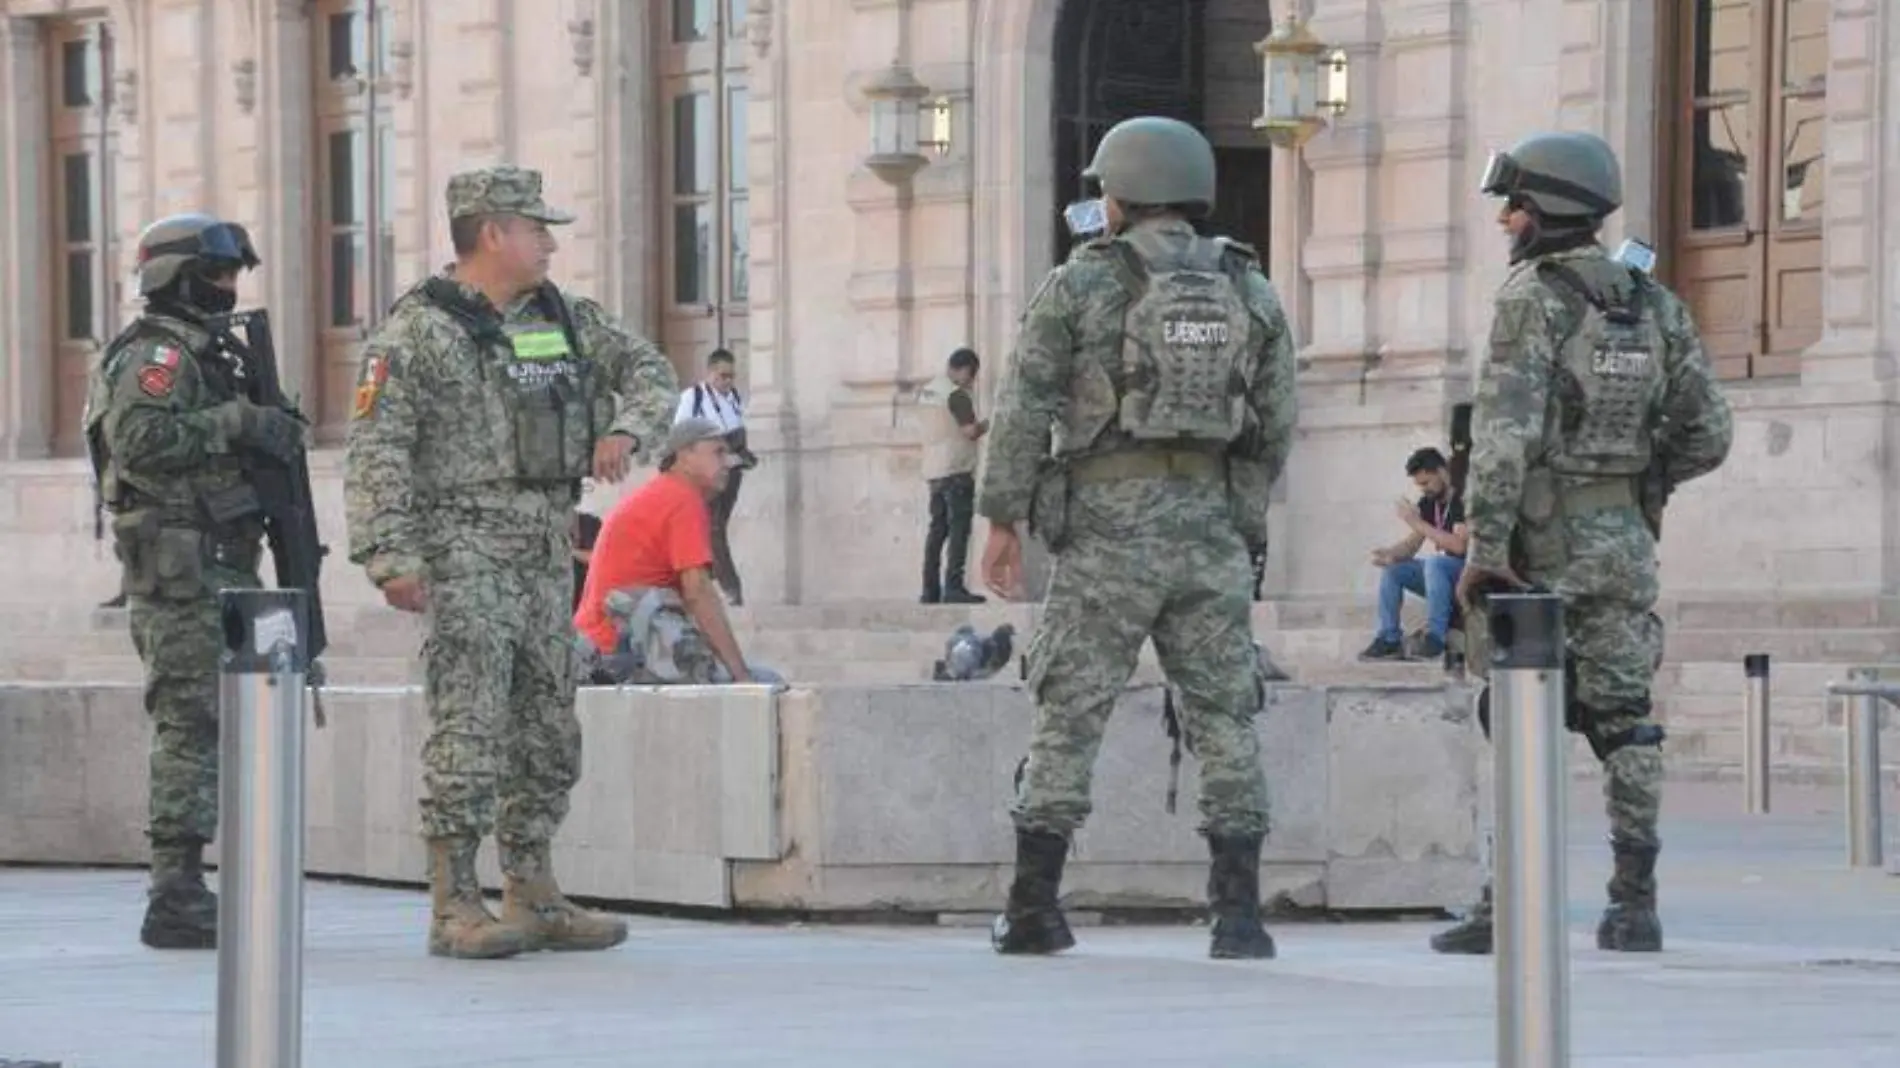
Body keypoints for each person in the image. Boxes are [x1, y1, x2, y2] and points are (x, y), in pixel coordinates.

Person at [977, 115, 1299, 961]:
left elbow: (1022, 407)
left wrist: (1002, 519)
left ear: (1118, 196)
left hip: (1106, 538)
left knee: (1069, 713)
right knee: (1227, 714)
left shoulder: (1084, 283)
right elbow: (1276, 423)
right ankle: (1238, 916)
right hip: (1211, 536)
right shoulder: (1248, 287)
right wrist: (1242, 514)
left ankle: (1035, 907)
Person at [343, 165, 680, 959]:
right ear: (491, 232)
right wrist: (389, 553)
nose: (550, 243)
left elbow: (651, 372)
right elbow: (377, 450)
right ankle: (454, 902)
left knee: (548, 726)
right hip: (462, 550)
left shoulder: (560, 318)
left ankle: (532, 887)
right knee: (469, 724)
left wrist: (627, 428)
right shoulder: (416, 335)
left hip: (542, 549)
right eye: (537, 228)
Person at [1430, 130, 1733, 955]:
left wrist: (1484, 547)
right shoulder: (1652, 300)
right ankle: (1634, 904)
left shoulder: (1533, 299)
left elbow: (1503, 435)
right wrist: (1640, 489)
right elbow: (1708, 432)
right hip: (1623, 544)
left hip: (1536, 553)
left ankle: (1508, 904)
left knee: (1517, 715)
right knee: (1627, 723)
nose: (1506, 224)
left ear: (1547, 211)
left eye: (1515, 207)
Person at [82, 213, 304, 949]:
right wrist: (237, 424)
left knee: (230, 722)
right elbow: (141, 442)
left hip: (225, 563)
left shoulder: (209, 353)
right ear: (174, 278)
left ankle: (219, 878)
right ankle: (174, 893)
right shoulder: (157, 355)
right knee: (188, 726)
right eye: (215, 274)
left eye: (233, 273)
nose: (229, 286)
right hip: (181, 572)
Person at [574, 417, 779, 686]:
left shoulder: (663, 493)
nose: (728, 464)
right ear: (684, 455)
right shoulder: (682, 501)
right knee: (769, 684)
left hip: (599, 647)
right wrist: (741, 676)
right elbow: (699, 594)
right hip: (619, 655)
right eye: (718, 452)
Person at [1358, 447, 1467, 661]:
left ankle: (1436, 637)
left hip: (1466, 573)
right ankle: (1389, 638)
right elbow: (1413, 543)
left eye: (1426, 483)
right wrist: (1391, 554)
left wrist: (1416, 521)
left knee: (1436, 563)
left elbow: (1459, 547)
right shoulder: (1429, 503)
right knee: (1395, 571)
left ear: (1442, 472)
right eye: (1419, 484)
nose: (1423, 489)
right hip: (1442, 578)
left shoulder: (1461, 498)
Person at [674, 348, 755, 606]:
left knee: (717, 525)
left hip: (730, 470)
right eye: (722, 376)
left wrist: (740, 457)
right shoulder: (693, 397)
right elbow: (679, 434)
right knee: (712, 527)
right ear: (710, 373)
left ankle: (709, 578)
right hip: (706, 469)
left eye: (731, 376)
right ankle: (731, 587)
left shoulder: (733, 398)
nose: (727, 382)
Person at [917, 347, 989, 604]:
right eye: (972, 374)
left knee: (937, 532)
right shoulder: (956, 395)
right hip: (956, 470)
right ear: (962, 369)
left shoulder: (927, 391)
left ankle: (929, 589)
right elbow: (970, 431)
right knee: (958, 531)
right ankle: (954, 587)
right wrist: (990, 424)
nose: (972, 381)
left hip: (933, 470)